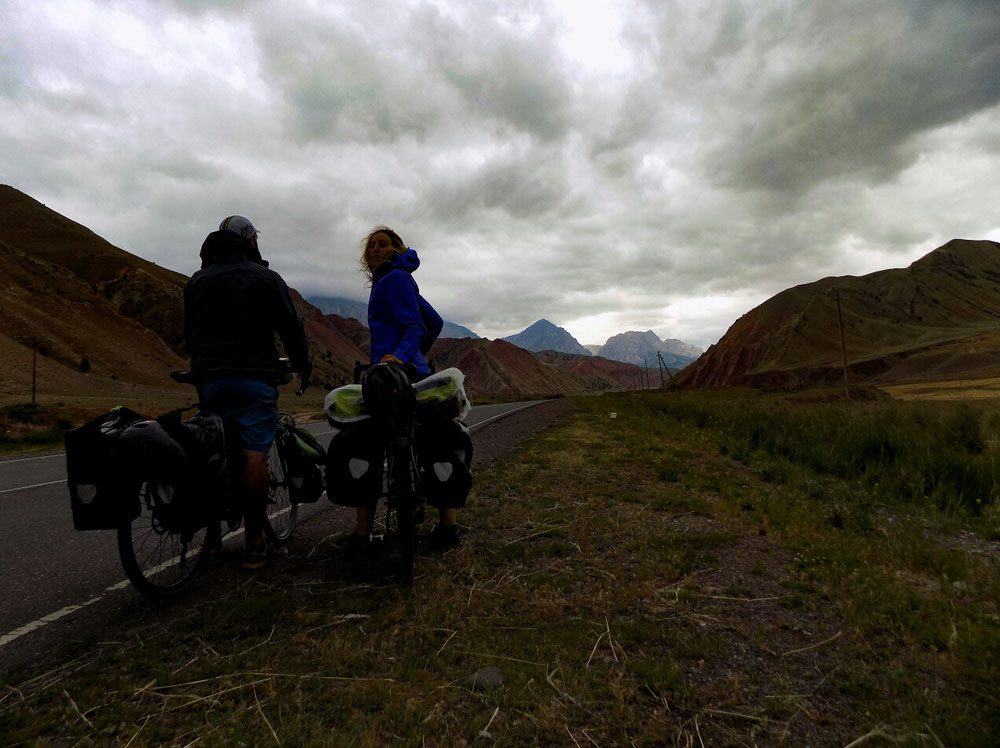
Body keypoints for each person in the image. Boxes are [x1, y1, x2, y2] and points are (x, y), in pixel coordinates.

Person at [184, 215, 312, 569]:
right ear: (250, 240)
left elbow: (188, 332)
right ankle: (255, 545)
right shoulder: (267, 279)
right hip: (253, 376)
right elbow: (291, 329)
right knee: (255, 453)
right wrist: (303, 367)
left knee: (214, 452)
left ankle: (211, 542)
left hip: (210, 379)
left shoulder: (198, 281)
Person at [346, 226, 462, 552]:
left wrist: (399, 356)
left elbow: (416, 325)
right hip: (412, 370)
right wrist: (415, 356)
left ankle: (362, 533)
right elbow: (433, 321)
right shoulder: (397, 279)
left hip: (392, 374)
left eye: (383, 244)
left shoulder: (393, 279)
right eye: (371, 246)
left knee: (370, 442)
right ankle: (448, 527)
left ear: (397, 248)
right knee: (434, 444)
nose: (376, 250)